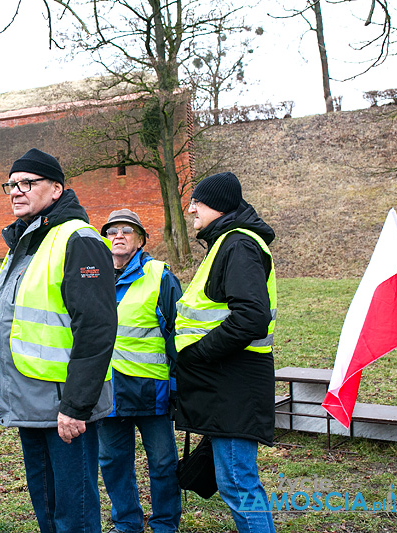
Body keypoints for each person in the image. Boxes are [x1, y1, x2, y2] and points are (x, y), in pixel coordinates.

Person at [0, 148, 117, 533]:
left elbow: (96, 328)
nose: (16, 191)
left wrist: (76, 405)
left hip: (65, 407)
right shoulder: (26, 243)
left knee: (73, 514)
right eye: (11, 184)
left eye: (28, 183)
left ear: (57, 189)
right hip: (31, 401)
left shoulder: (78, 240)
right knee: (48, 509)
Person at [174, 171, 277, 533]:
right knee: (234, 478)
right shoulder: (227, 242)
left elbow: (251, 317)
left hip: (233, 383)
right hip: (227, 383)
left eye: (197, 203)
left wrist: (199, 353)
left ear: (215, 205)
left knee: (237, 481)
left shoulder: (238, 244)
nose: (191, 210)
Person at [98, 209, 182, 533]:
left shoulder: (160, 276)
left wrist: (179, 385)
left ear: (140, 240)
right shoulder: (93, 278)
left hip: (152, 391)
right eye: (112, 231)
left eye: (127, 231)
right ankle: (127, 524)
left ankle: (164, 525)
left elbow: (179, 332)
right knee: (114, 464)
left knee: (162, 464)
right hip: (107, 393)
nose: (118, 235)